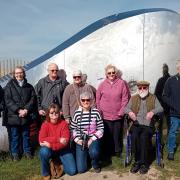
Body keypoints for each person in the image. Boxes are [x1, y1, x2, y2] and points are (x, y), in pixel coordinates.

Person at [125, 81, 163, 174]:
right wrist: (130, 112)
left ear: (148, 88)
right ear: (138, 89)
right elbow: (125, 109)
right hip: (136, 123)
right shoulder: (133, 98)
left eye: (144, 88)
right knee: (134, 136)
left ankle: (144, 163)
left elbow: (161, 108)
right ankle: (137, 161)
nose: (142, 90)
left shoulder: (153, 97)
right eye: (140, 88)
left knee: (144, 137)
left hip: (148, 124)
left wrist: (152, 112)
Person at [4, 66, 37, 161]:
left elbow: (32, 99)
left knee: (26, 135)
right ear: (14, 75)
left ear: (24, 74)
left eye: (20, 72)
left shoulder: (29, 86)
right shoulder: (9, 86)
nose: (19, 74)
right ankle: (15, 154)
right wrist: (18, 110)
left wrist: (26, 110)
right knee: (15, 136)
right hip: (14, 116)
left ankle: (27, 152)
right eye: (17, 73)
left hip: (25, 115)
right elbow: (8, 100)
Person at [96, 64, 129, 160]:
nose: (111, 74)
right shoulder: (102, 84)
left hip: (118, 114)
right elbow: (98, 99)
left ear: (116, 73)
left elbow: (125, 98)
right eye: (109, 73)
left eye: (113, 72)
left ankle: (117, 151)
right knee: (107, 134)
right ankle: (108, 152)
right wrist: (99, 111)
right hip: (105, 115)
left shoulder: (121, 83)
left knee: (117, 133)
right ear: (106, 74)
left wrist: (122, 110)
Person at [39, 104, 76, 180]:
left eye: (56, 112)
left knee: (72, 171)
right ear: (48, 114)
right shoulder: (45, 125)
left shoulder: (64, 124)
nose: (54, 114)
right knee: (43, 151)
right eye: (51, 112)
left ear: (59, 113)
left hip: (63, 149)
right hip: (50, 150)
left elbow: (65, 142)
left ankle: (58, 162)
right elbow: (41, 139)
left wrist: (51, 145)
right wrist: (58, 139)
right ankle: (46, 173)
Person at [70, 92, 104, 173]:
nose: (85, 102)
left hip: (93, 138)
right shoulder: (77, 113)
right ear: (80, 101)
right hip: (80, 140)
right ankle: (87, 158)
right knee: (81, 169)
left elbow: (101, 128)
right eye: (83, 100)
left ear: (91, 101)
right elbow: (73, 128)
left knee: (94, 152)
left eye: (88, 100)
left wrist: (92, 139)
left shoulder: (95, 112)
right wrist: (77, 140)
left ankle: (95, 163)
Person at [162, 60, 180, 161]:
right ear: (178, 68)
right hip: (175, 113)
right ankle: (171, 152)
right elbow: (164, 96)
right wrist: (174, 105)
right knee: (173, 132)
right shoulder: (171, 80)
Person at [155, 63, 171, 130]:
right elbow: (156, 93)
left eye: (165, 68)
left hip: (169, 107)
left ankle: (168, 140)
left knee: (169, 125)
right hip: (164, 106)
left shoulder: (171, 79)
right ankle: (160, 140)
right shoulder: (161, 80)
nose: (164, 69)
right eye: (164, 68)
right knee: (163, 125)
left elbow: (156, 93)